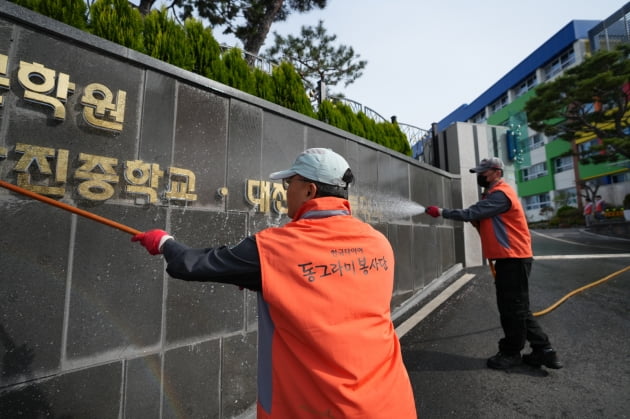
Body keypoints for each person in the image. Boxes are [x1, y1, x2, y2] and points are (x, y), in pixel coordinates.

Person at [132, 148, 417, 418]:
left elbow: (191, 264)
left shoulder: (276, 247)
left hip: (319, 408)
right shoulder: (378, 243)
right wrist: (269, 282)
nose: (284, 191)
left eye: (289, 183)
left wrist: (163, 242)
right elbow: (334, 290)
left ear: (309, 190)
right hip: (391, 401)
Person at [425, 157, 563, 371]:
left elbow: (470, 213)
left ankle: (511, 353)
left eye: (484, 172)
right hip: (511, 258)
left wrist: (441, 212)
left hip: (513, 258)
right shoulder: (493, 195)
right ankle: (543, 351)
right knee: (518, 308)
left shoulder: (501, 195)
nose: (480, 176)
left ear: (496, 172)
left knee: (511, 310)